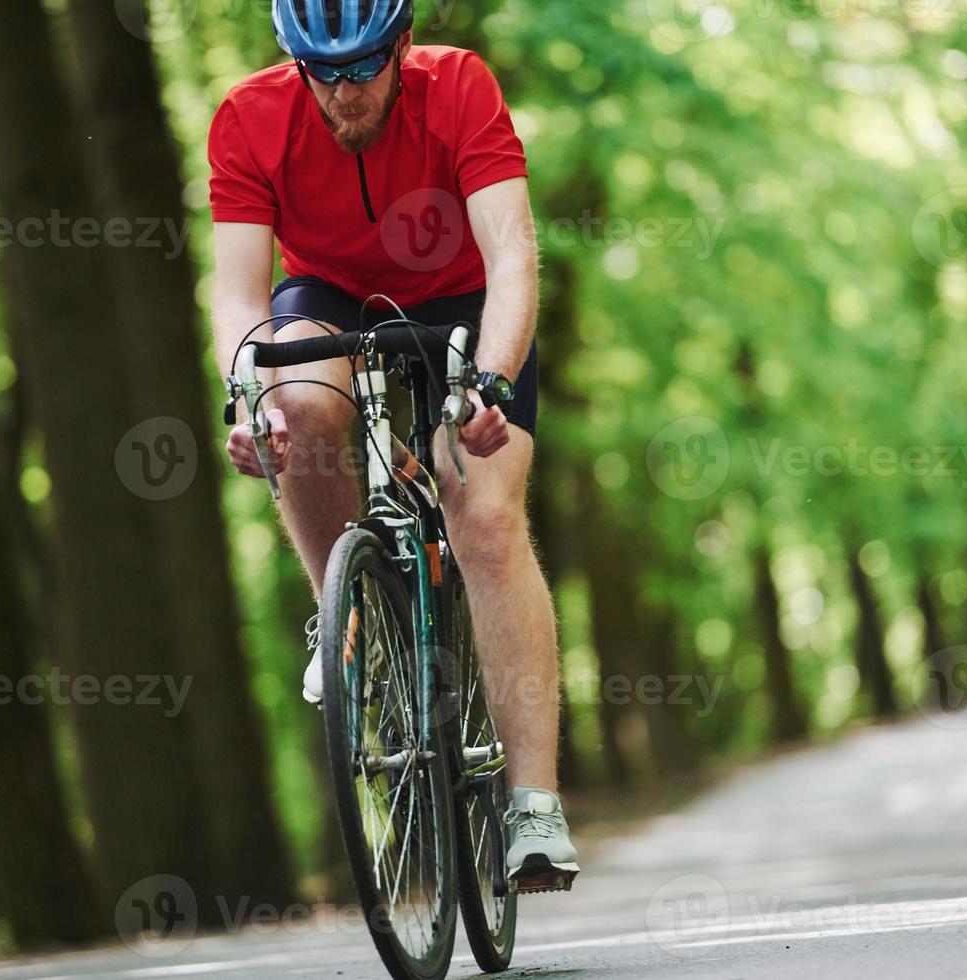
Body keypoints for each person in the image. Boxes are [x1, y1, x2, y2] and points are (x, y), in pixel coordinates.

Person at [207, 0, 579, 892]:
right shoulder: (248, 118)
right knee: (296, 406)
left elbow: (514, 256)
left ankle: (535, 808)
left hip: (464, 303)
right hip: (328, 296)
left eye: (362, 69)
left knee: (484, 515)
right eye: (320, 74)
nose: (342, 95)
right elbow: (237, 292)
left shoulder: (460, 89)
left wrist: (489, 380)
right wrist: (251, 400)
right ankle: (352, 614)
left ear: (402, 46)